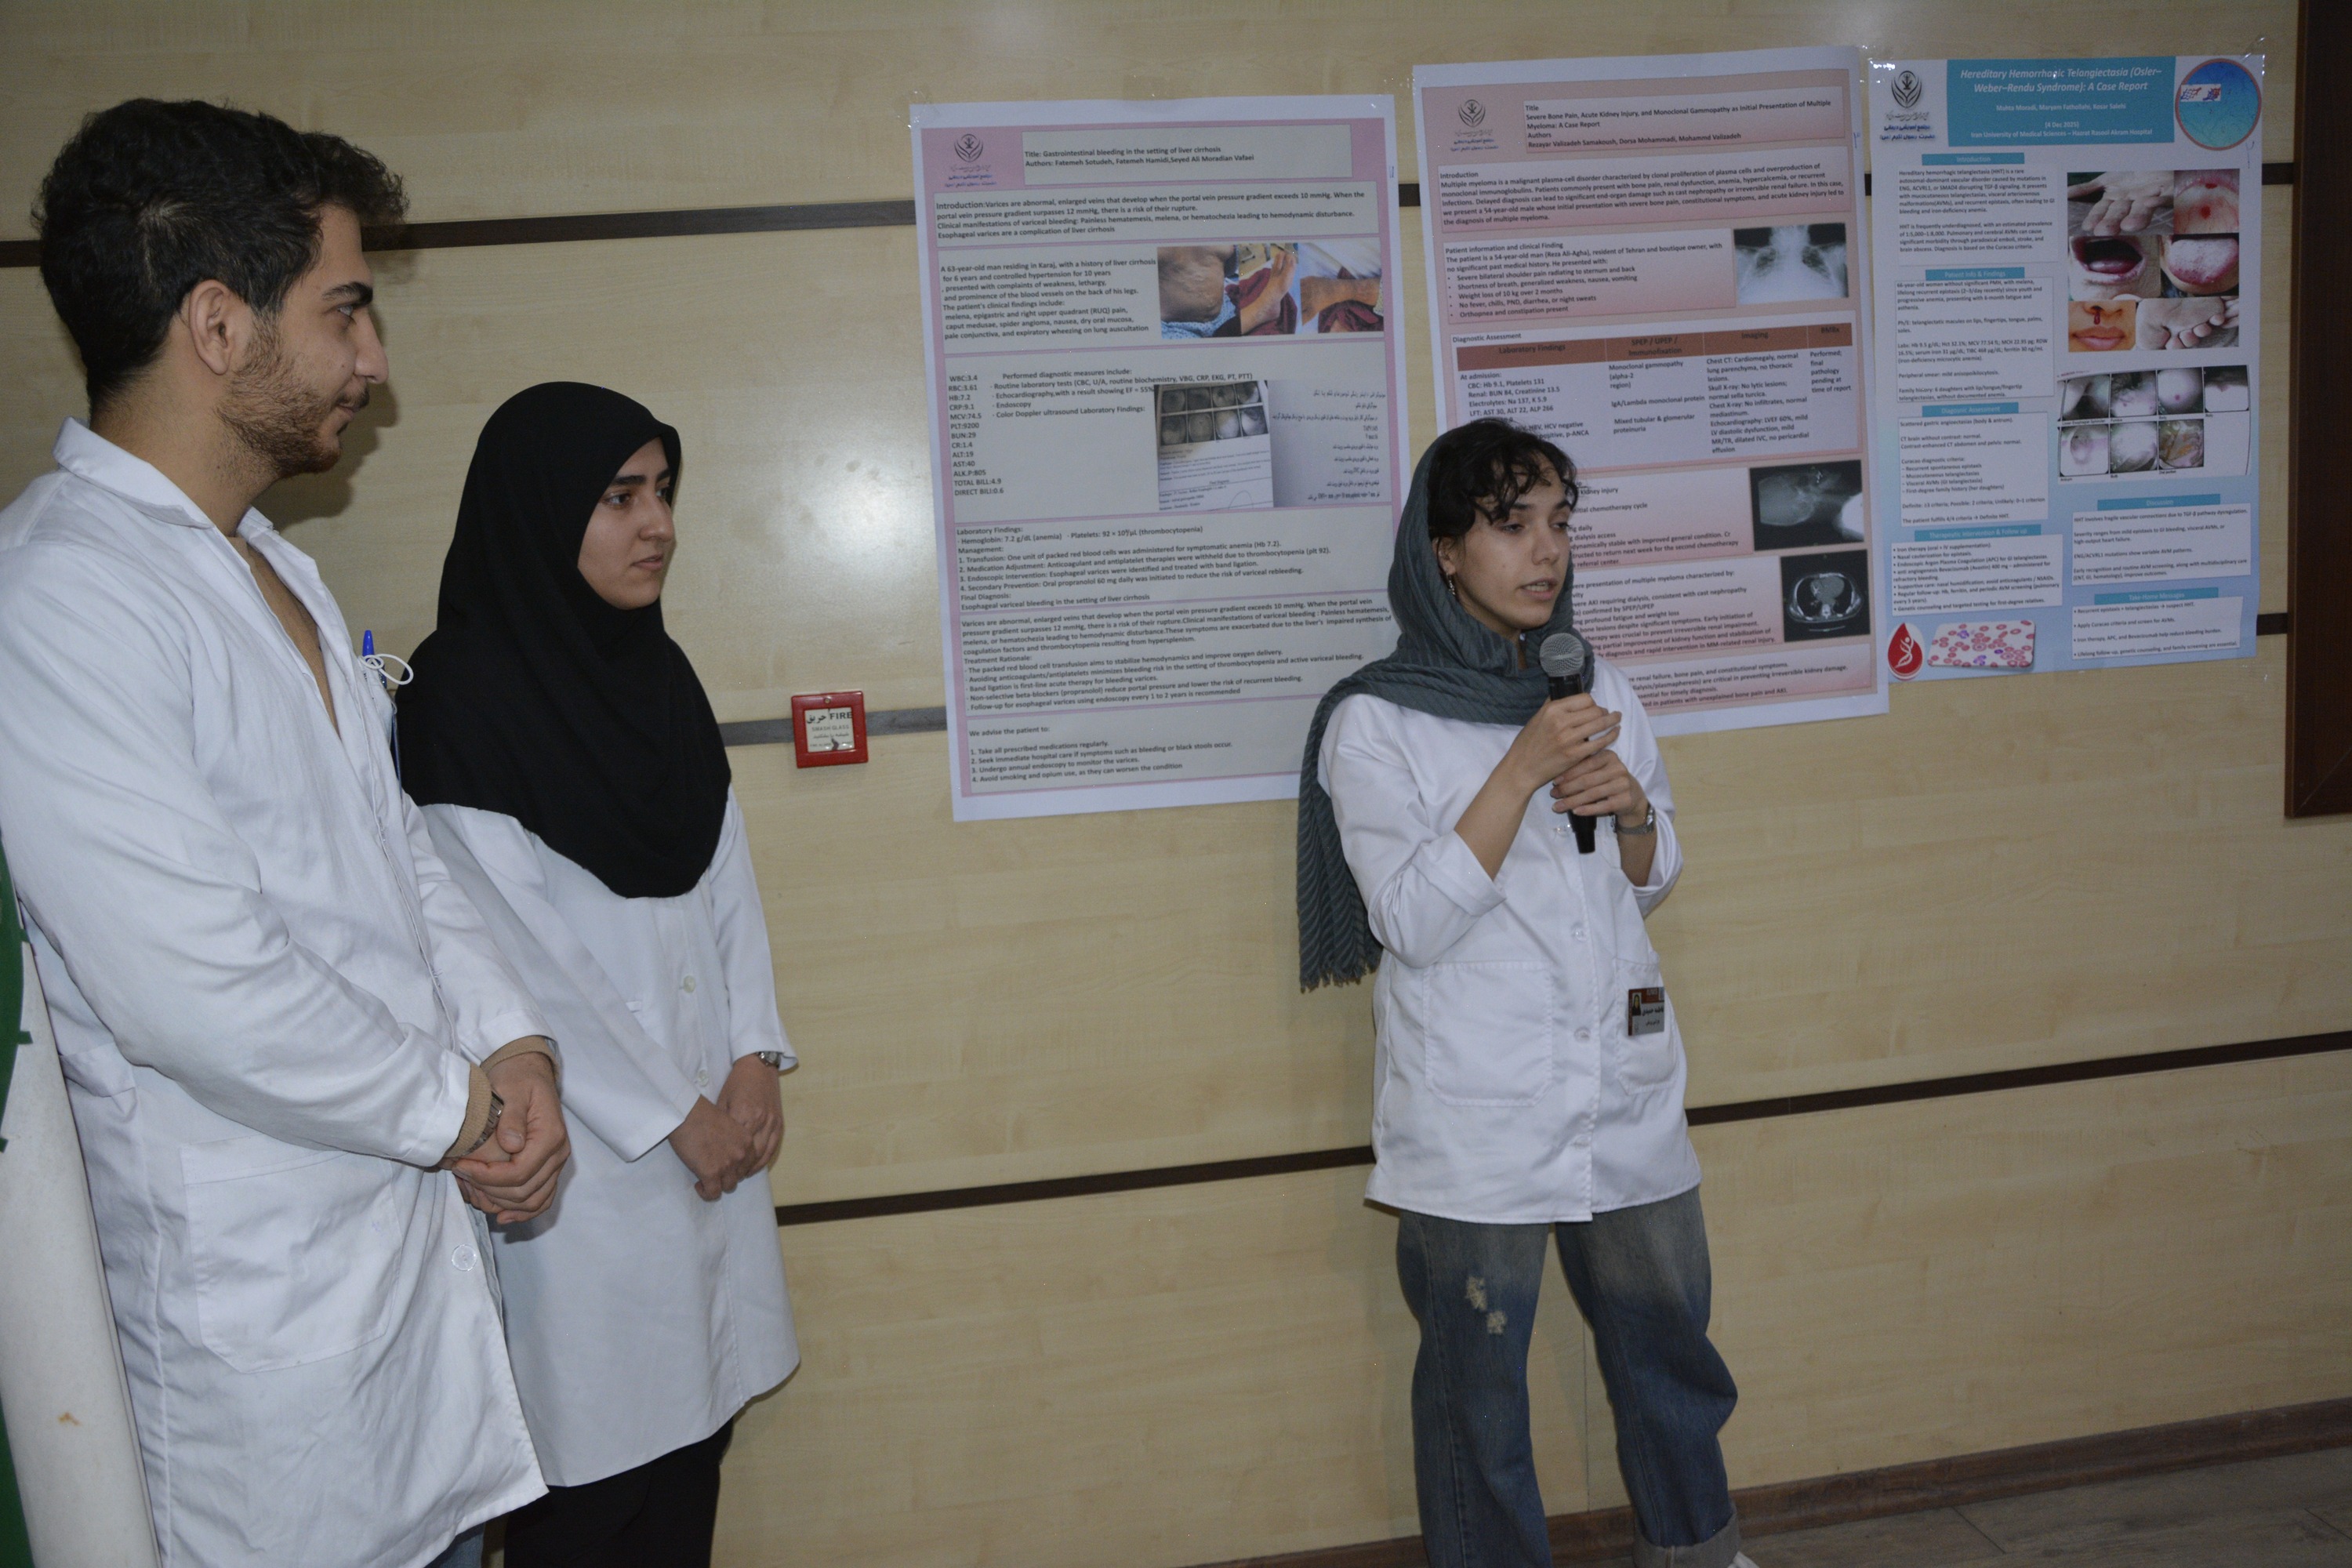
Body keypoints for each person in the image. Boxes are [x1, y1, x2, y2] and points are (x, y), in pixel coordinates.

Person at [0, 100, 568, 1568]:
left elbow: (394, 850)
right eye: (346, 310)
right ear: (217, 324)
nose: (373, 363)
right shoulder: (62, 596)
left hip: (406, 1309)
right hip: (263, 1369)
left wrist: (510, 1041)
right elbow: (194, 988)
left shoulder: (270, 566)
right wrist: (460, 1113)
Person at [1296, 419, 1758, 1568]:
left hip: (1623, 1091)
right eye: (1511, 525)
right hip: (1478, 1116)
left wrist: (1635, 812)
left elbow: (1651, 877)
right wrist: (1521, 770)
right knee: (1479, 1393)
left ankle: (1698, 1554)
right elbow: (1410, 921)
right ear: (1445, 550)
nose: (1546, 551)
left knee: (1671, 1354)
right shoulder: (1374, 720)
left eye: (1559, 522)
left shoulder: (1600, 685)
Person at [395, 383, 799, 1568]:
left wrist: (753, 1058)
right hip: (584, 1174)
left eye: (663, 491)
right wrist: (675, 1116)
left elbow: (726, 876)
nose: (657, 524)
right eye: (619, 497)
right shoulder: (461, 696)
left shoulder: (659, 675)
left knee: (694, 1453)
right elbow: (514, 957)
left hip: (710, 1129)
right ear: (536, 511)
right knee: (591, 1479)